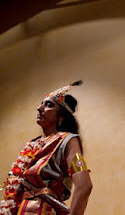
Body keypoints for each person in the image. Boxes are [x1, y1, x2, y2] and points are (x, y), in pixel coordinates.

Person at [0, 81, 92, 215]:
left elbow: (84, 185)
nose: (39, 108)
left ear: (61, 116)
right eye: (42, 103)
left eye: (49, 105)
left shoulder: (68, 140)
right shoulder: (33, 143)